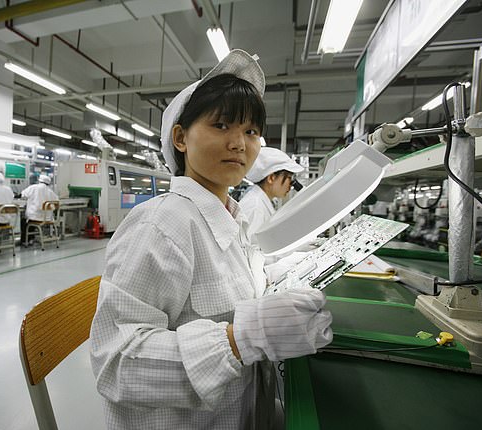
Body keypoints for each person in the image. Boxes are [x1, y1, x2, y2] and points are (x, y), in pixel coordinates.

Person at [89, 49, 332, 430]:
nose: (240, 143)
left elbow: (231, 286)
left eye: (251, 131)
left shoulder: (229, 218)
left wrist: (280, 280)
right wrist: (239, 340)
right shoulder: (162, 224)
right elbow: (116, 363)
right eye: (222, 126)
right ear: (181, 138)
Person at [240, 146, 303, 245]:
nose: (291, 185)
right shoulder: (255, 207)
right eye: (289, 178)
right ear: (271, 178)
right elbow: (250, 251)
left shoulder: (261, 201)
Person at [20, 174, 59, 242]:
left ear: (39, 181)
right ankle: (31, 238)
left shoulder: (33, 187)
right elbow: (57, 202)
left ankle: (25, 241)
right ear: (48, 183)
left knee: (24, 220)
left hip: (35, 217)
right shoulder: (50, 191)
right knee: (30, 220)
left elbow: (23, 195)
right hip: (48, 219)